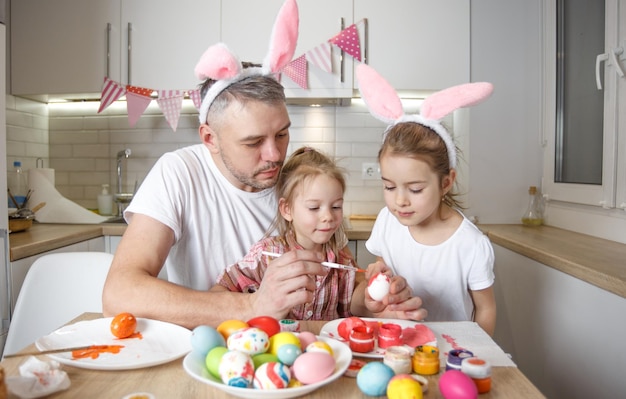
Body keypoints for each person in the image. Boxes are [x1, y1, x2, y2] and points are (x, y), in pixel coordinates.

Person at [103, 0, 426, 329]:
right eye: (253, 142)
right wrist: (254, 304)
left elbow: (338, 283)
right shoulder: (179, 173)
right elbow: (119, 293)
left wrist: (372, 303)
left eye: (283, 134)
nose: (274, 155)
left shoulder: (299, 183)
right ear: (210, 138)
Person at [356, 63, 497, 335]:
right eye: (389, 186)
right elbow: (380, 273)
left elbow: (486, 309)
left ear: (446, 182)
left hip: (450, 353)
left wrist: (479, 352)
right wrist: (377, 274)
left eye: (415, 189)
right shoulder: (388, 220)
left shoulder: (471, 244)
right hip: (396, 343)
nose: (400, 201)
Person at [213, 147, 400, 320]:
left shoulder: (341, 262)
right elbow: (219, 291)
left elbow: (354, 306)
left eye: (336, 206)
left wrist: (371, 289)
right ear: (287, 209)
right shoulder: (267, 255)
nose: (328, 216)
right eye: (314, 207)